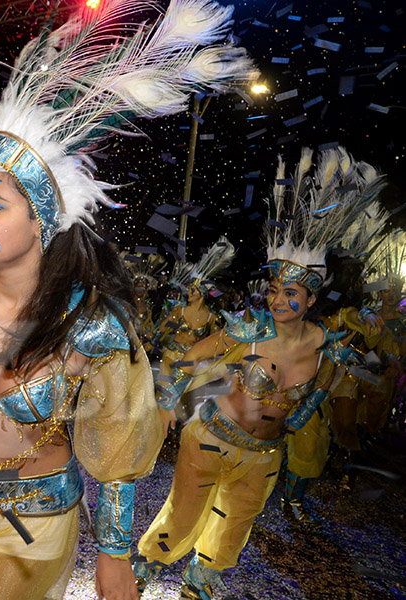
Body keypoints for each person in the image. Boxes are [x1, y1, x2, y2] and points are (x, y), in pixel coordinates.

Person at [0, 1, 256, 598]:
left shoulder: (88, 329)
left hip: (31, 525)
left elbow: (119, 447)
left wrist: (115, 555)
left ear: (43, 220)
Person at [133, 146, 386, 600]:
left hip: (265, 455)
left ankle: (204, 580)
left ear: (311, 300)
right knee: (184, 513)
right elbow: (194, 357)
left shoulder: (326, 348)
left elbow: (324, 387)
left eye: (291, 293)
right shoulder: (248, 332)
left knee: (236, 523)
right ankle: (150, 564)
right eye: (273, 290)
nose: (277, 300)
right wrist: (173, 403)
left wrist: (302, 411)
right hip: (211, 440)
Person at [153, 238, 235, 423]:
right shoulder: (179, 310)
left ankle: (176, 431)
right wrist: (151, 343)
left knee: (183, 401)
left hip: (193, 364)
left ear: (202, 294)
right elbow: (163, 329)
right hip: (172, 359)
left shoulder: (211, 318)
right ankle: (161, 430)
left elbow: (215, 344)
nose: (188, 293)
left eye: (193, 290)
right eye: (188, 290)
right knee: (166, 397)